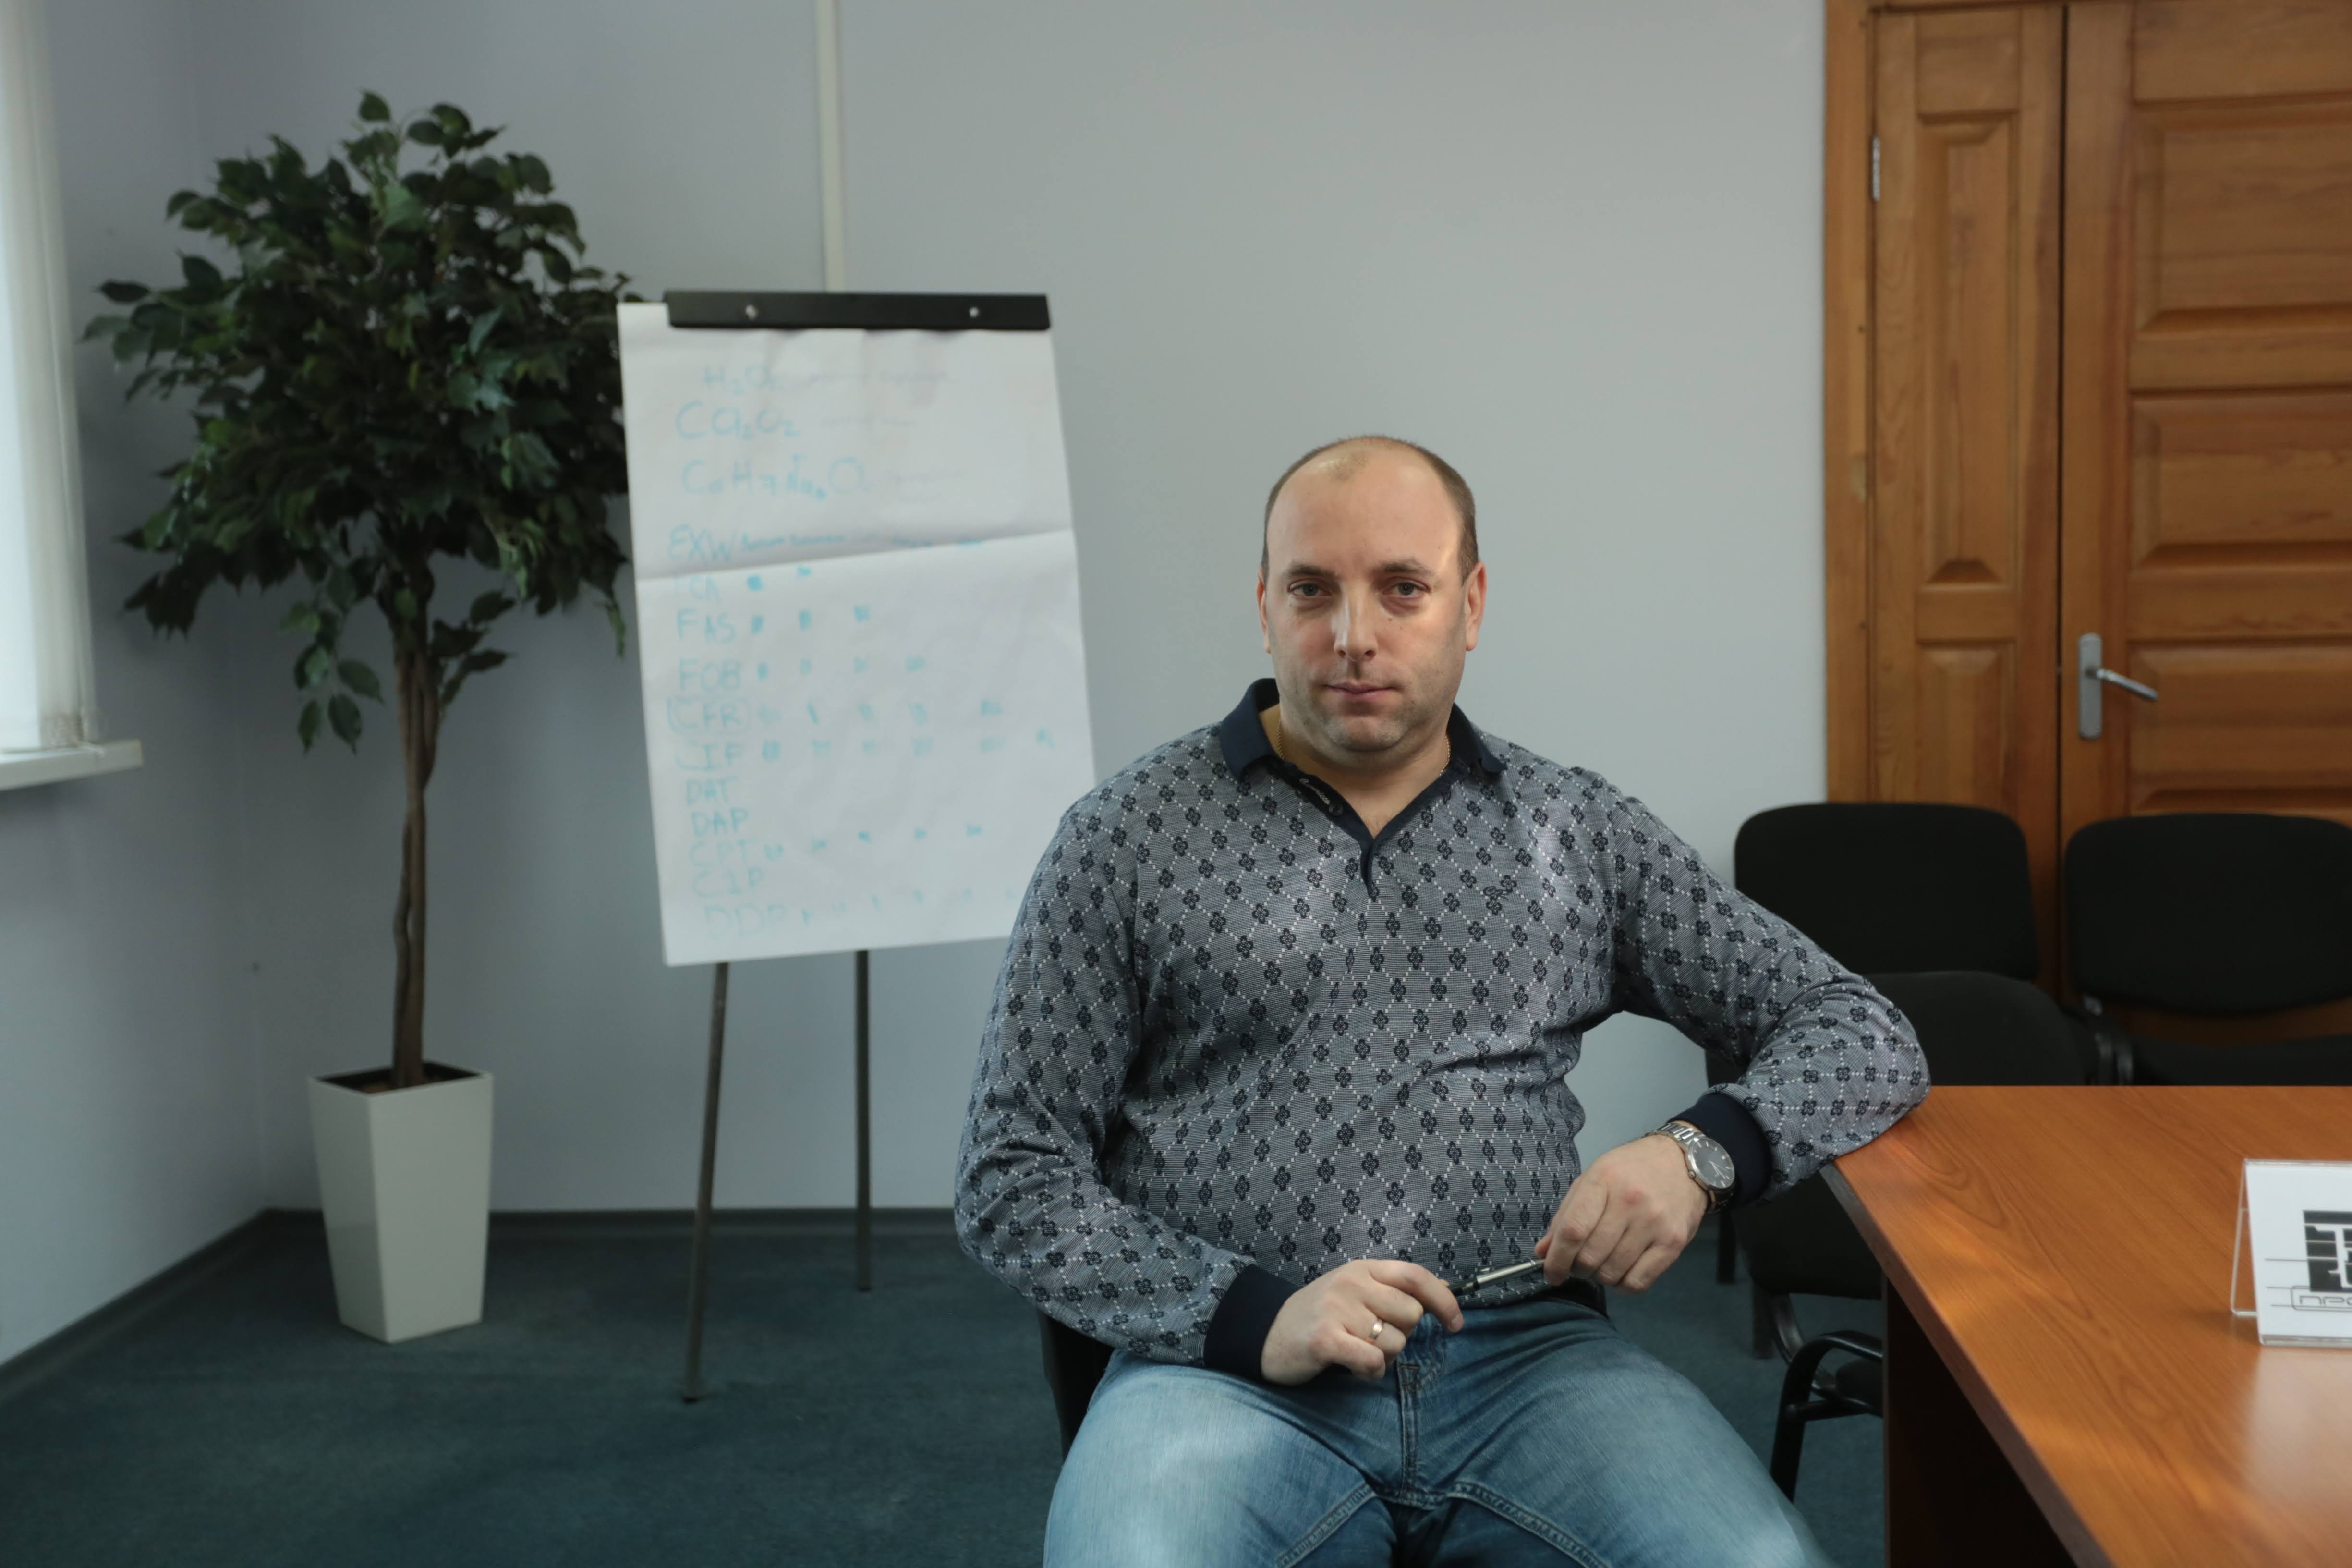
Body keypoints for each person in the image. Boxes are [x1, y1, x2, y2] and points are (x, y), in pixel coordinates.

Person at [954, 436, 1928, 1566]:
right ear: (1264, 606)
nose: (1352, 634)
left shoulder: (1574, 832)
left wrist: (1699, 1154)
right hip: (1223, 1379)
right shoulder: (1124, 840)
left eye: (1402, 588)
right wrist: (1245, 1313)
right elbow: (1011, 1171)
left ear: (1470, 605)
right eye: (1311, 590)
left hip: (1530, 1364)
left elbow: (1860, 1030)